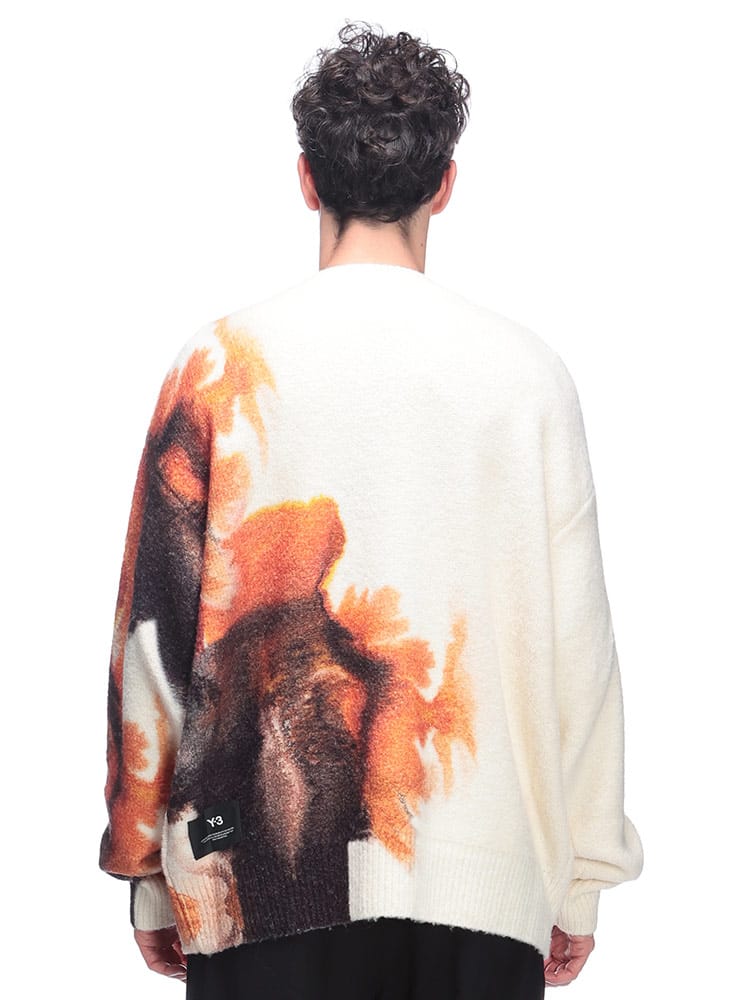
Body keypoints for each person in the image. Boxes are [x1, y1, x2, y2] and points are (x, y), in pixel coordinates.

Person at [98, 19, 644, 999]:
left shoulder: (217, 366)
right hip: (483, 885)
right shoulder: (528, 379)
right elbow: (580, 650)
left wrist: (149, 870)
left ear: (307, 179)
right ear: (446, 185)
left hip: (252, 874)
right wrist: (581, 879)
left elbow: (154, 638)